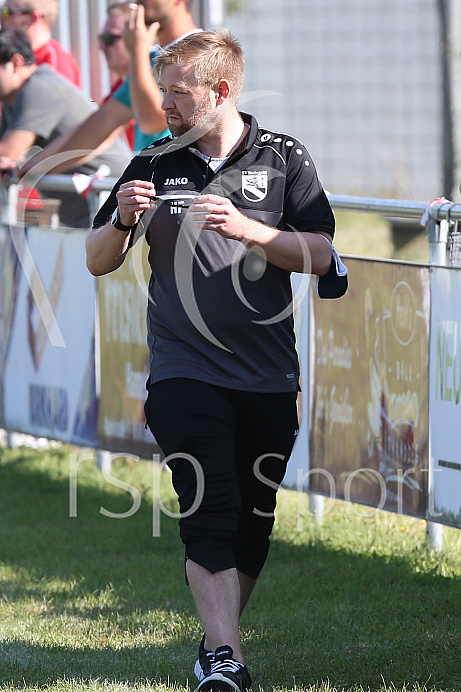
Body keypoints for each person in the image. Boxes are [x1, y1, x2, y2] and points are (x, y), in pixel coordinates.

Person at [86, 29, 339, 692]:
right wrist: (119, 222)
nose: (163, 102)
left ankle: (214, 643)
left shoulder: (284, 159)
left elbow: (323, 257)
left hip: (267, 375)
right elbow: (96, 260)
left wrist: (250, 229)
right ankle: (226, 660)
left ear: (219, 91)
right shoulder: (151, 159)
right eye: (162, 87)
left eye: (177, 90)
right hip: (181, 370)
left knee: (253, 517)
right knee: (209, 503)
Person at [20, 0, 199, 177]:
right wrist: (28, 169)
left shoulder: (204, 52)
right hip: (157, 192)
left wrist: (137, 52)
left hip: (192, 192)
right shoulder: (150, 57)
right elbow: (102, 122)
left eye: (110, 39)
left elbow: (152, 121)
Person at [0, 28, 130, 227]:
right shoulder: (13, 99)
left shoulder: (38, 87)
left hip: (112, 211)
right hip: (93, 215)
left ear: (16, 63)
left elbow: (7, 153)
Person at [0, 0, 81, 87]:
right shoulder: (17, 56)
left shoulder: (55, 59)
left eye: (7, 12)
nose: (1, 18)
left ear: (33, 18)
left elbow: (56, 99)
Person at [99, 2, 136, 150]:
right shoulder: (119, 89)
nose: (101, 46)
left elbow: (98, 140)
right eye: (101, 38)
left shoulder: (159, 84)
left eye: (109, 39)